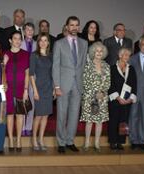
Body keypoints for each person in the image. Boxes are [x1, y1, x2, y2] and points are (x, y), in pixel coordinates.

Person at [53, 16, 88, 153]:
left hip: (78, 84)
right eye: (71, 25)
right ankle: (61, 142)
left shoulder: (84, 43)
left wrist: (84, 84)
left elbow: (84, 65)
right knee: (62, 114)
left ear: (79, 27)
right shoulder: (59, 43)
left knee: (74, 114)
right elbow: (56, 66)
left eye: (76, 25)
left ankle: (70, 141)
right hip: (63, 84)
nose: (74, 27)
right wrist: (56, 86)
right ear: (67, 27)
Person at [80, 42, 111, 152]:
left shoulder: (106, 66)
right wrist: (94, 93)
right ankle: (87, 143)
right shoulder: (87, 65)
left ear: (103, 53)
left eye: (101, 51)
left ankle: (97, 143)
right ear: (93, 52)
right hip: (89, 97)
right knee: (89, 121)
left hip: (102, 98)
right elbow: (85, 82)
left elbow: (108, 82)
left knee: (99, 121)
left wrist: (102, 92)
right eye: (96, 51)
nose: (98, 53)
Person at [3, 31, 30, 152]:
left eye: (20, 39)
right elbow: (1, 72)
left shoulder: (26, 54)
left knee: (19, 114)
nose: (18, 41)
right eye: (15, 38)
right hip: (8, 89)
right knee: (9, 115)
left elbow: (27, 73)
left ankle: (18, 140)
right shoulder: (5, 54)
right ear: (10, 40)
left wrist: (26, 90)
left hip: (20, 88)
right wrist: (4, 63)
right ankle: (10, 139)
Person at [108, 48, 137, 151]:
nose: (127, 57)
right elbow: (110, 85)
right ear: (120, 56)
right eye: (125, 55)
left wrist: (131, 98)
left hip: (127, 101)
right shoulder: (112, 68)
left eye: (128, 55)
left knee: (124, 122)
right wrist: (117, 97)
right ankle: (112, 141)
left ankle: (120, 142)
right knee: (113, 121)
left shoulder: (131, 69)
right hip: (115, 100)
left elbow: (134, 84)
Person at [29, 33, 53, 151]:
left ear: (48, 42)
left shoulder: (51, 55)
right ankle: (34, 139)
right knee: (38, 115)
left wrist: (53, 88)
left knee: (46, 116)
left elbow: (52, 73)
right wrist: (35, 91)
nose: (43, 42)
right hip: (39, 88)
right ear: (38, 42)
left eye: (45, 40)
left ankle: (41, 139)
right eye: (41, 40)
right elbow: (31, 75)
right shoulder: (34, 55)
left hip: (49, 88)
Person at [21, 22, 36, 136]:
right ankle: (21, 127)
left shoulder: (38, 44)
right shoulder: (19, 43)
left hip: (34, 76)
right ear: (24, 31)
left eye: (31, 30)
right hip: (22, 76)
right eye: (27, 30)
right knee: (22, 102)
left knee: (32, 102)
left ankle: (28, 127)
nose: (29, 32)